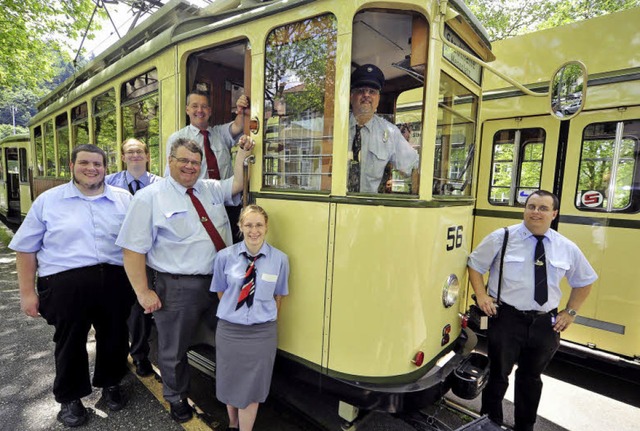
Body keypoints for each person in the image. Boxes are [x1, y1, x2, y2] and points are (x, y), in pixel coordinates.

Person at [116, 136, 255, 423]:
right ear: (169, 161)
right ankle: (177, 397)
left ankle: (229, 396)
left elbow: (238, 184)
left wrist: (242, 152)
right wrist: (143, 292)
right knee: (174, 347)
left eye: (195, 162)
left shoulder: (211, 189)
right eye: (184, 161)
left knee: (230, 340)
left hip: (221, 284)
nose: (190, 167)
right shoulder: (149, 198)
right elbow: (132, 250)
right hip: (177, 285)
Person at [10, 144, 135, 427]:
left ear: (106, 167)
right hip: (65, 283)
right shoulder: (49, 201)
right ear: (72, 166)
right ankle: (70, 398)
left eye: (98, 164)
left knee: (115, 335)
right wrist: (27, 294)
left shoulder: (124, 199)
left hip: (115, 279)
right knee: (70, 341)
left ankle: (111, 383)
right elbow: (26, 250)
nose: (91, 169)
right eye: (84, 163)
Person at [467, 190, 597, 431]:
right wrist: (482, 296)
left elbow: (585, 280)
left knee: (531, 379)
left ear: (554, 214)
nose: (536, 212)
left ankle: (525, 426)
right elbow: (474, 265)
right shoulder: (502, 238)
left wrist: (570, 312)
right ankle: (489, 423)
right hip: (506, 319)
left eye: (543, 208)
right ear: (525, 210)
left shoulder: (565, 247)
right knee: (497, 375)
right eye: (531, 206)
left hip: (544, 325)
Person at [211, 204, 289, 431]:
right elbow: (221, 292)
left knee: (252, 389)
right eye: (248, 225)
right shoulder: (224, 258)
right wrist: (236, 314)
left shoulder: (280, 260)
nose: (254, 230)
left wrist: (263, 320)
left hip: (261, 334)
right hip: (230, 331)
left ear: (266, 227)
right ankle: (232, 423)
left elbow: (279, 296)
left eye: (259, 225)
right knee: (229, 381)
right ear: (240, 227)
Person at [106, 138, 162, 377]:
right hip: (116, 257)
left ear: (148, 156)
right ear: (122, 157)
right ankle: (115, 359)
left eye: (140, 151)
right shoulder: (108, 183)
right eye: (130, 152)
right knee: (116, 309)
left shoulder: (160, 184)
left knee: (140, 310)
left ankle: (140, 356)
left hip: (148, 257)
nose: (136, 155)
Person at [164, 90, 249, 241]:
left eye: (204, 106)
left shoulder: (220, 133)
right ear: (187, 109)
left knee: (231, 247)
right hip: (199, 205)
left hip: (229, 203)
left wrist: (241, 110)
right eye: (195, 106)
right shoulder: (177, 138)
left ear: (209, 111)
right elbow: (170, 177)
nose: (199, 110)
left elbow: (238, 125)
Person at [348, 64, 419, 194]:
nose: (366, 95)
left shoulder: (390, 132)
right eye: (361, 90)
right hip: (332, 205)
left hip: (368, 208)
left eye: (372, 91)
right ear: (351, 96)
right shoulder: (334, 126)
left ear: (378, 99)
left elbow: (414, 166)